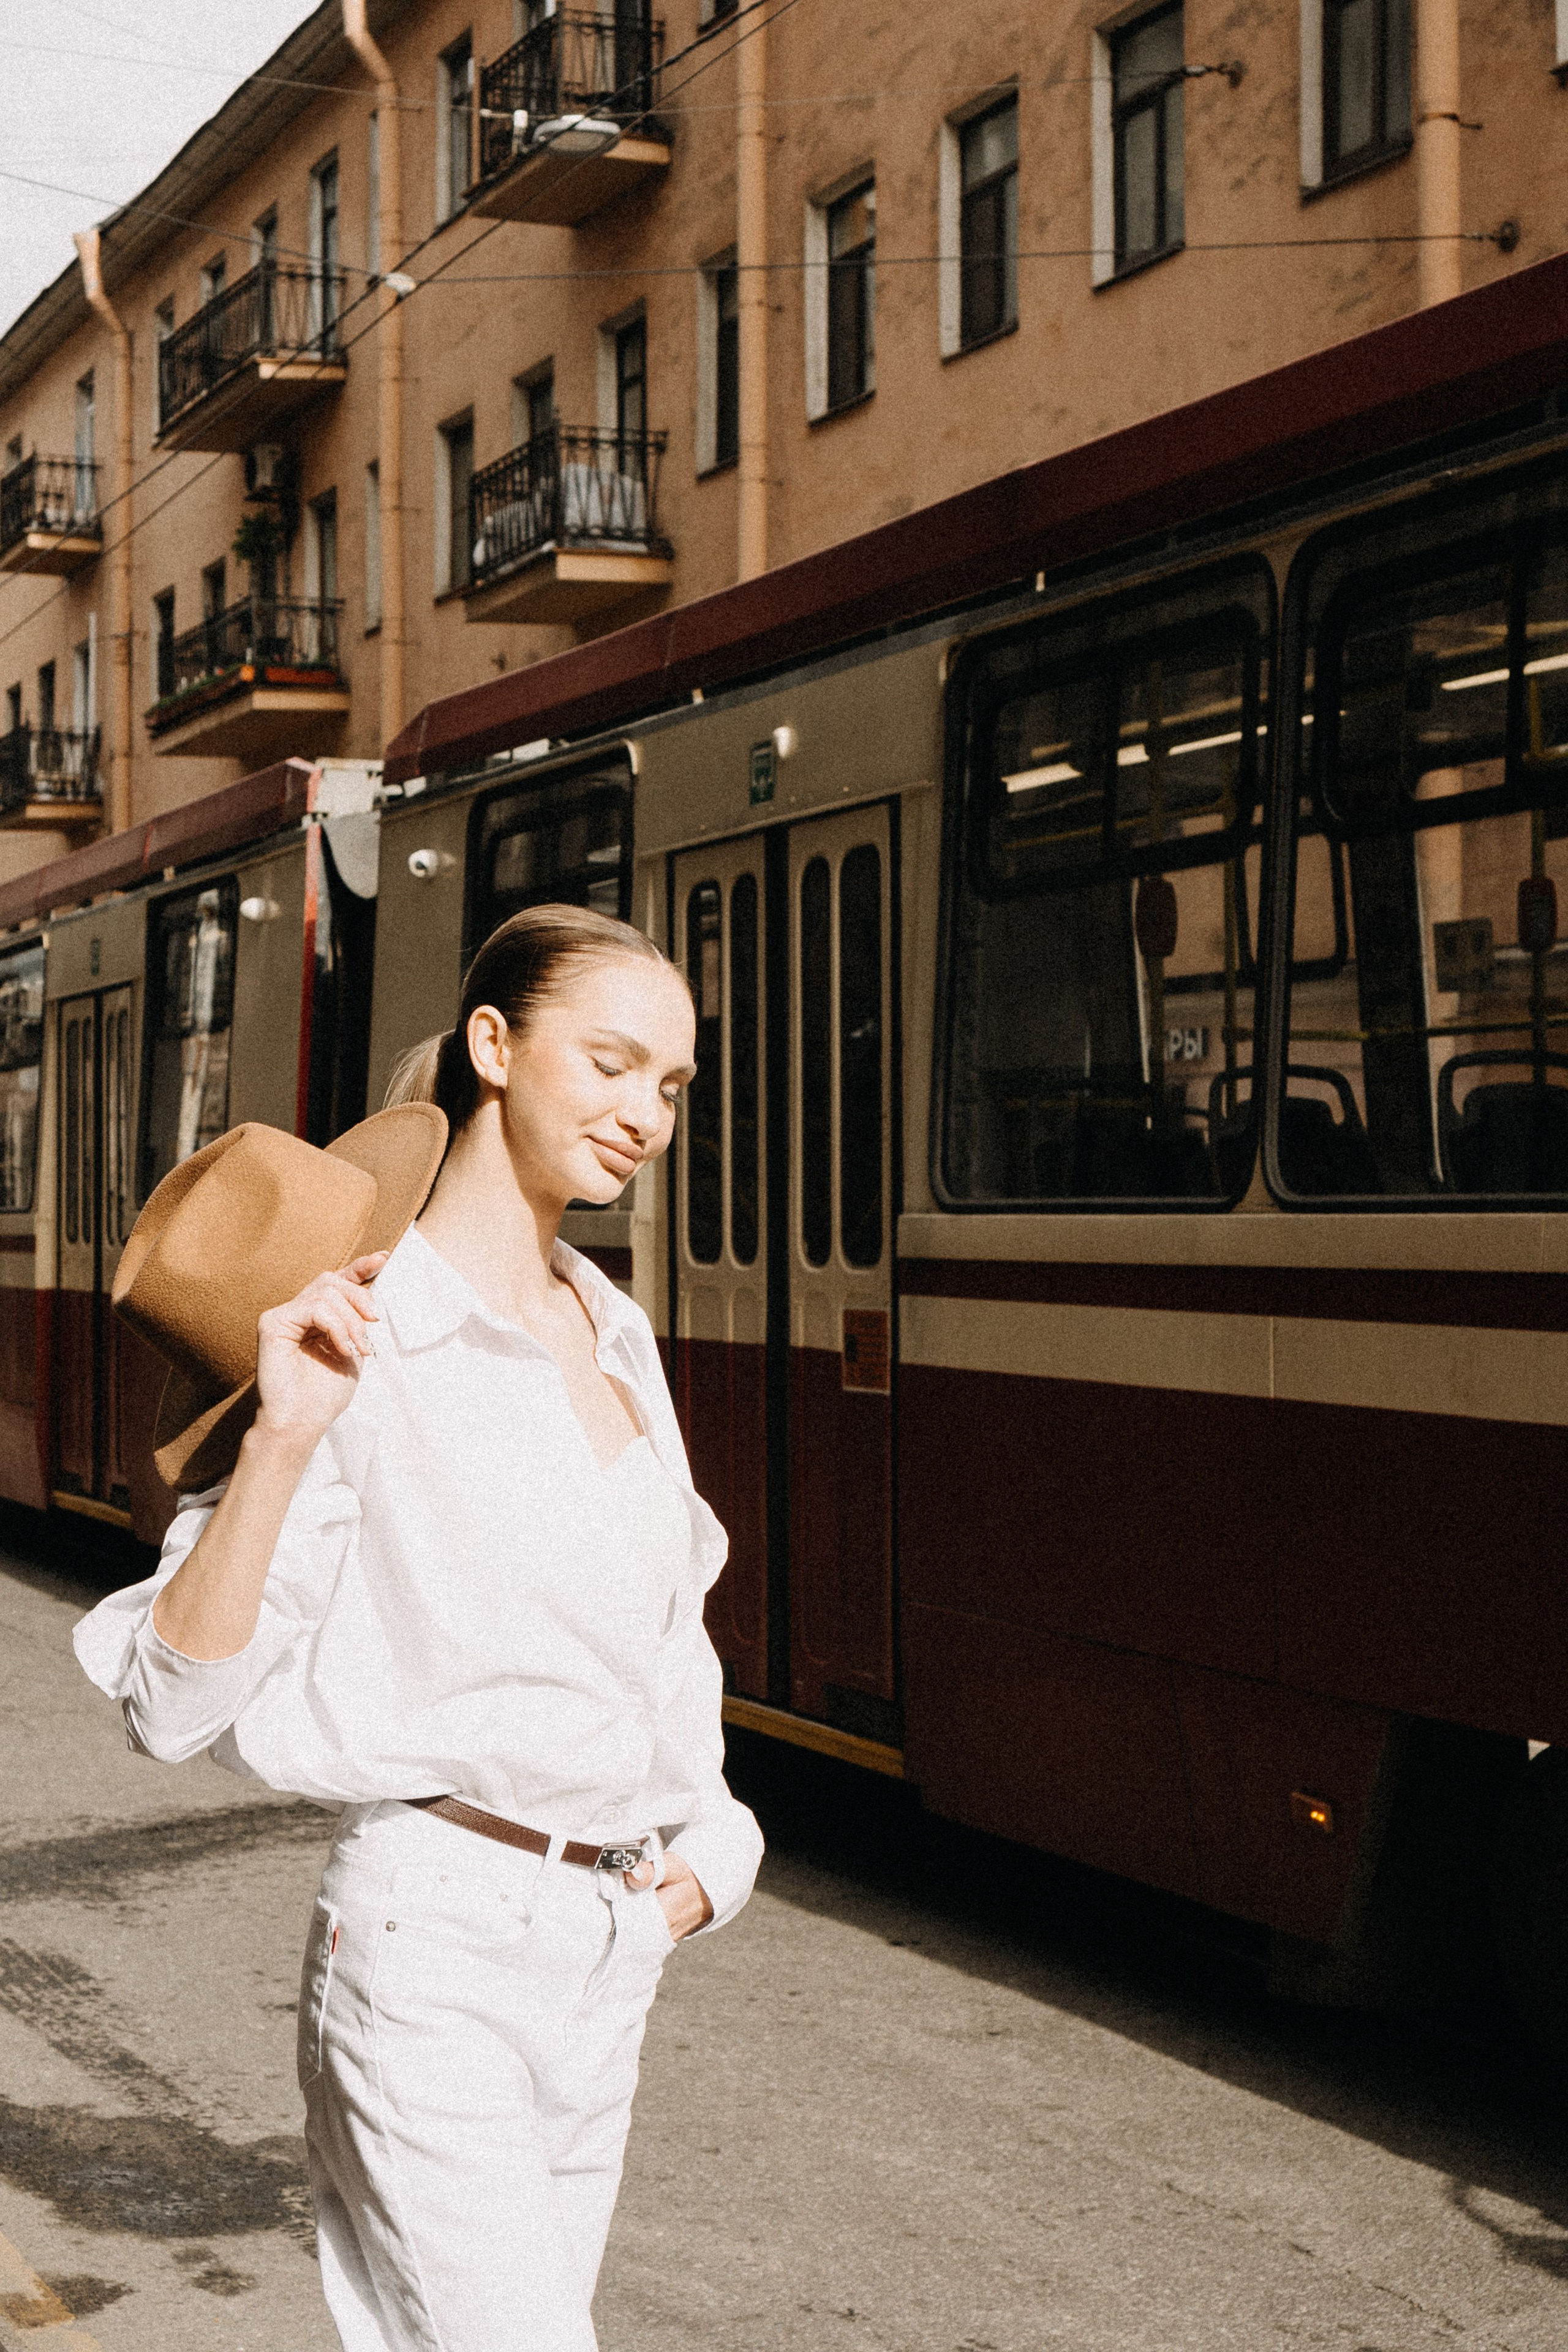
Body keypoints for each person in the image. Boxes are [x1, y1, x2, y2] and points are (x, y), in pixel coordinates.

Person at [74, 904, 764, 2352]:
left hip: (609, 1944)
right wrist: (279, 1442)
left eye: (673, 1088)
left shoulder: (612, 1324)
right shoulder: (357, 1333)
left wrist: (708, 1858)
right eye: (615, 1064)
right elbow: (172, 1707)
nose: (647, 1116)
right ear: (494, 1045)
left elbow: (663, 1641)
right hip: (433, 1949)